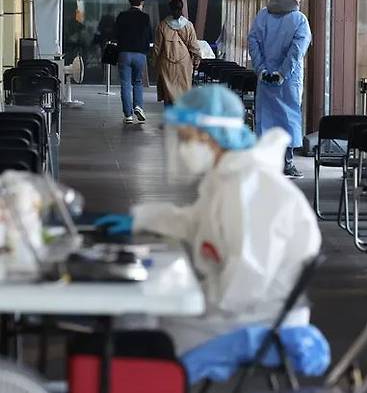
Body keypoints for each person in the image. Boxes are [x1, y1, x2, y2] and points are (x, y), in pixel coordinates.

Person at [95, 85, 321, 354]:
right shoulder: (229, 176)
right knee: (137, 316)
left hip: (256, 319)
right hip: (241, 305)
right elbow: (196, 221)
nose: (183, 148)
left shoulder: (252, 186)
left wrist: (191, 298)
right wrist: (141, 220)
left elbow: (248, 276)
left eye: (187, 138)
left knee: (138, 328)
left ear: (210, 137)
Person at [248, 0, 312, 178]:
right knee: (289, 119)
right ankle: (287, 163)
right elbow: (296, 51)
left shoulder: (263, 16)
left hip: (265, 78)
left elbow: (253, 42)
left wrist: (261, 70)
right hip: (288, 80)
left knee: (266, 118)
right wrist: (282, 74)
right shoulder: (299, 19)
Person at [154, 0, 201, 110]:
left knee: (168, 92)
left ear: (170, 9)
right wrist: (197, 59)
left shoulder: (163, 25)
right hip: (184, 64)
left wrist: (154, 62)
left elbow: (157, 47)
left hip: (167, 64)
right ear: (182, 9)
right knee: (183, 91)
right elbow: (194, 45)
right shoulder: (188, 25)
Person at [115, 0, 153, 125]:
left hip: (124, 53)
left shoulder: (122, 16)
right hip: (140, 54)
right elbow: (150, 36)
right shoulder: (145, 17)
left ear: (129, 1)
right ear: (142, 2)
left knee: (125, 84)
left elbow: (116, 34)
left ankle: (128, 115)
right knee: (137, 82)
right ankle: (138, 106)